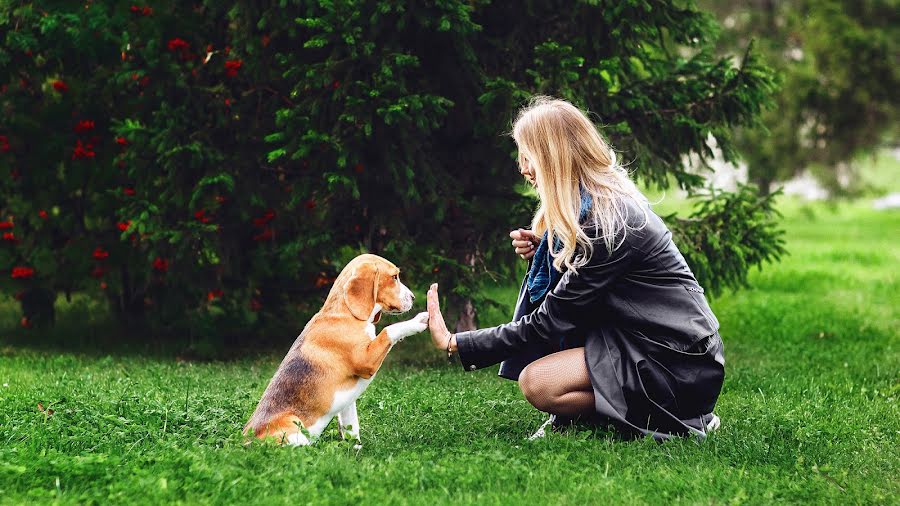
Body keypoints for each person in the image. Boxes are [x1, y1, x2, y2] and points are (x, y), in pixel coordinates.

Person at [425, 96, 725, 441]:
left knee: (539, 383)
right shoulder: (595, 206)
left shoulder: (609, 222)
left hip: (678, 362)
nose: (523, 168)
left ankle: (682, 418)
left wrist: (455, 343)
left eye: (529, 156)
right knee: (545, 378)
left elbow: (548, 322)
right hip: (643, 342)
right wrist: (548, 253)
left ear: (553, 158)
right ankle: (620, 417)